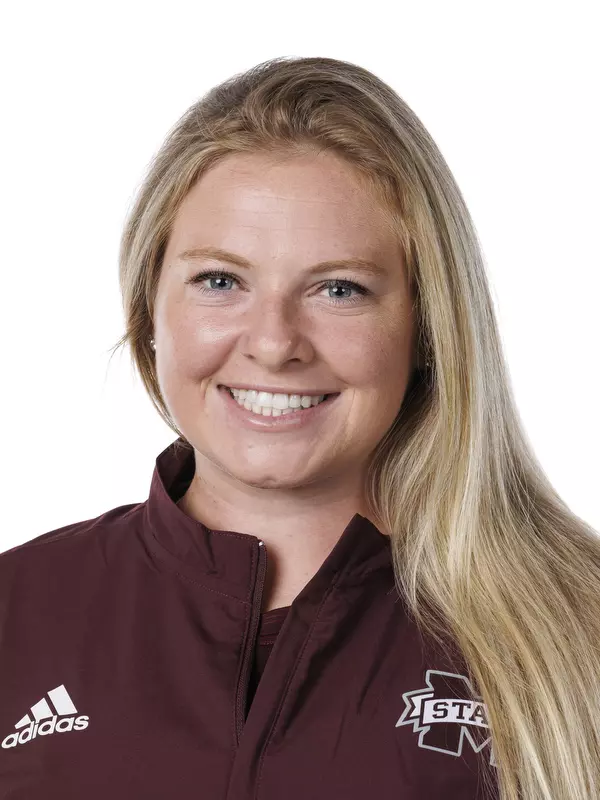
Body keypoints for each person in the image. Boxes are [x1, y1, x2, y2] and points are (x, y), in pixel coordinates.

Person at [1, 56, 599, 800]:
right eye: (220, 281)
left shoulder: (581, 625)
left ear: (424, 327)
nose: (275, 341)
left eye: (339, 288)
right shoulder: (16, 611)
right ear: (150, 308)